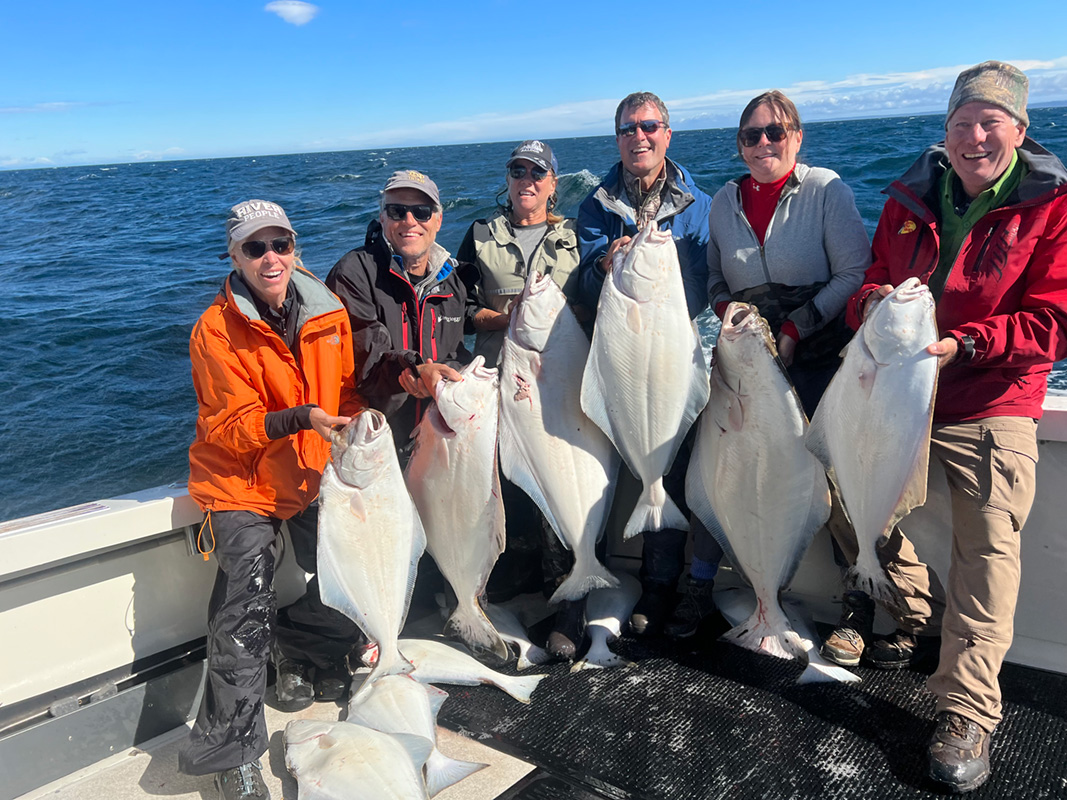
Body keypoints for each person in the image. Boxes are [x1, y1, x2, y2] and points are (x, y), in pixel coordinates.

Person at [840, 61, 1067, 792]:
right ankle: (909, 618)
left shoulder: (1052, 206)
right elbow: (873, 278)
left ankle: (966, 708)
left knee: (986, 545)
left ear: (1018, 131)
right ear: (943, 130)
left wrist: (965, 344)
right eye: (961, 122)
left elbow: (1053, 321)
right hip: (901, 382)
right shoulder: (908, 194)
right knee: (855, 497)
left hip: (990, 393)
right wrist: (875, 304)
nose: (973, 137)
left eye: (989, 123)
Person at [180, 200, 364, 800]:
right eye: (254, 248)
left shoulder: (327, 310)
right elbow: (230, 426)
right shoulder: (214, 329)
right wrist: (303, 418)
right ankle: (232, 756)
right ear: (233, 257)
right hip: (240, 480)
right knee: (243, 610)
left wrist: (363, 424)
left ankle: (295, 648)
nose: (270, 258)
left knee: (355, 576)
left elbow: (345, 392)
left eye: (280, 244)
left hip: (311, 471)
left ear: (295, 247)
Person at [675, 91, 870, 641]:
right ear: (738, 146)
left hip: (814, 357)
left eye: (775, 132)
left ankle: (855, 606)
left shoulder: (826, 190)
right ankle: (700, 585)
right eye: (750, 135)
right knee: (718, 466)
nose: (763, 144)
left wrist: (795, 326)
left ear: (797, 137)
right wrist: (725, 309)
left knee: (832, 478)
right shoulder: (723, 202)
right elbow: (714, 278)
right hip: (746, 358)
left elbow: (853, 273)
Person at [577, 91, 712, 636]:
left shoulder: (698, 203)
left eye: (649, 126)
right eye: (628, 129)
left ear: (667, 134)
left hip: (674, 350)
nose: (640, 137)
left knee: (673, 468)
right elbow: (585, 280)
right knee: (595, 468)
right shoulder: (595, 204)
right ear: (617, 139)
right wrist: (606, 262)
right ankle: (580, 580)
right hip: (618, 352)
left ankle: (662, 587)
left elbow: (706, 282)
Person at [457, 140, 587, 658]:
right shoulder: (479, 234)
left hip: (558, 386)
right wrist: (502, 318)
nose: (526, 181)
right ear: (507, 181)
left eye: (537, 173)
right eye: (517, 172)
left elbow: (599, 304)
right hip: (497, 382)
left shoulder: (575, 237)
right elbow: (461, 309)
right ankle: (515, 576)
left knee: (557, 484)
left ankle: (569, 597)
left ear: (554, 183)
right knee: (505, 483)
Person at [325, 170, 471, 451]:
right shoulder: (354, 273)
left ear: (438, 220)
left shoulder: (452, 282)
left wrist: (451, 375)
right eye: (397, 211)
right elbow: (366, 361)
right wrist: (417, 369)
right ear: (382, 218)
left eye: (422, 212)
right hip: (374, 448)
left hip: (437, 444)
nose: (409, 221)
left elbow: (455, 354)